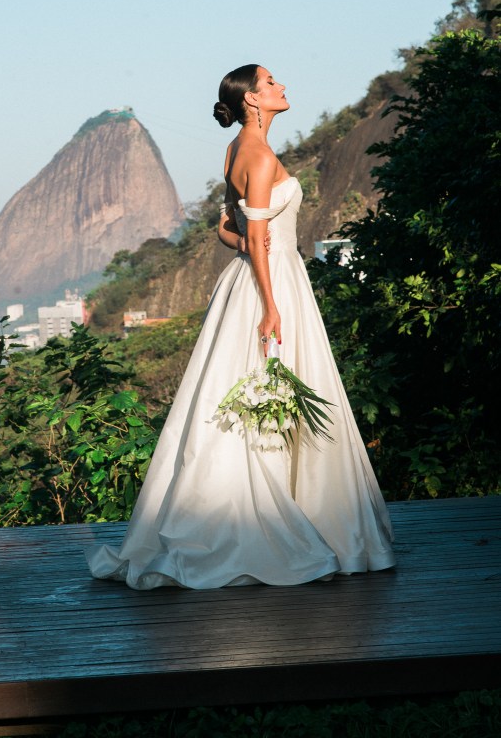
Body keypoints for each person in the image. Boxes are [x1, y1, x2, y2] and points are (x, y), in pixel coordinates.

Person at [86, 64, 395, 589]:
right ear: (251, 100)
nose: (282, 87)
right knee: (273, 389)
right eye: (271, 83)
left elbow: (227, 230)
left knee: (243, 393)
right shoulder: (260, 155)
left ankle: (287, 509)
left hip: (252, 278)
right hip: (272, 284)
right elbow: (249, 236)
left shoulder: (235, 151)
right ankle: (290, 524)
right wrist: (271, 305)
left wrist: (254, 245)